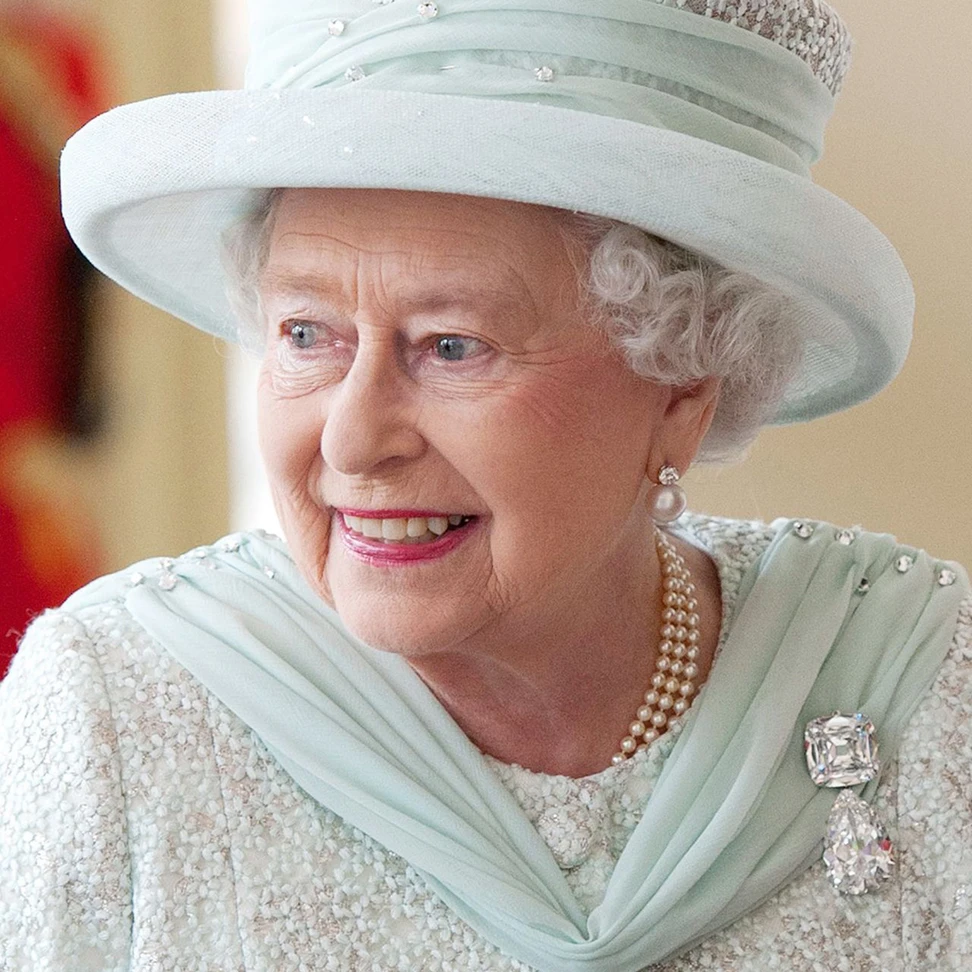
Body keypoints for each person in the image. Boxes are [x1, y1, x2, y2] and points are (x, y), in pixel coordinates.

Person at [1, 1, 969, 969]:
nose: (351, 437)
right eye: (306, 334)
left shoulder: (920, 695)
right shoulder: (114, 718)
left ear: (681, 385)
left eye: (451, 346)